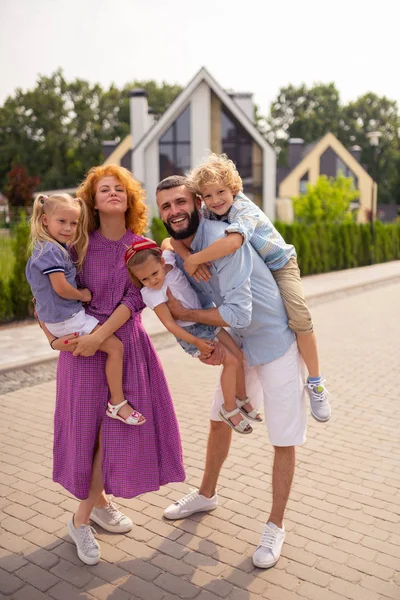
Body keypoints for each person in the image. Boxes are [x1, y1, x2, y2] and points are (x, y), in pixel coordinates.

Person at [156, 175, 307, 569]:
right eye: (165, 207)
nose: (174, 211)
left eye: (179, 202)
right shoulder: (176, 249)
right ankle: (206, 493)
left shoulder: (225, 238)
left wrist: (188, 315)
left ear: (196, 202)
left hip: (275, 341)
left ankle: (276, 524)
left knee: (283, 436)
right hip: (238, 344)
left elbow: (239, 312)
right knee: (218, 419)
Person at [38, 166, 185, 565]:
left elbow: (137, 300)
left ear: (130, 198)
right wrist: (53, 339)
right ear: (93, 199)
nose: (113, 193)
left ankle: (84, 517)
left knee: (115, 433)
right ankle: (92, 512)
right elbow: (44, 298)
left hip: (123, 348)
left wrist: (101, 336)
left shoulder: (142, 244)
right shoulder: (76, 247)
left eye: (119, 188)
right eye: (104, 189)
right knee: (89, 435)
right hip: (83, 354)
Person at [174, 153, 330, 423]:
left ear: (234, 188)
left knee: (301, 319)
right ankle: (239, 398)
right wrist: (185, 256)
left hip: (279, 264)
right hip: (256, 273)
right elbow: (169, 240)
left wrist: (196, 258)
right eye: (208, 196)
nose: (215, 200)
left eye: (221, 192)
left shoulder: (243, 209)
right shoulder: (207, 212)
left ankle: (316, 383)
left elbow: (234, 243)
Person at [26, 192, 145, 426]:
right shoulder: (50, 252)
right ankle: (118, 403)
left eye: (74, 223)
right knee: (115, 348)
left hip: (57, 321)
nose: (68, 228)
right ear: (45, 221)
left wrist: (51, 336)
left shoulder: (48, 248)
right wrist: (82, 295)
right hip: (68, 319)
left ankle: (116, 402)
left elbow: (38, 301)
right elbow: (61, 287)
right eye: (62, 221)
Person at [125, 238, 262, 434]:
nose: (152, 281)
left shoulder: (169, 262)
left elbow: (168, 242)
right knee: (230, 362)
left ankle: (241, 398)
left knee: (238, 356)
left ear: (162, 262)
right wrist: (196, 342)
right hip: (191, 333)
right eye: (144, 279)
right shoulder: (151, 294)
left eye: (154, 273)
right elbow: (170, 325)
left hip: (205, 316)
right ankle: (229, 409)